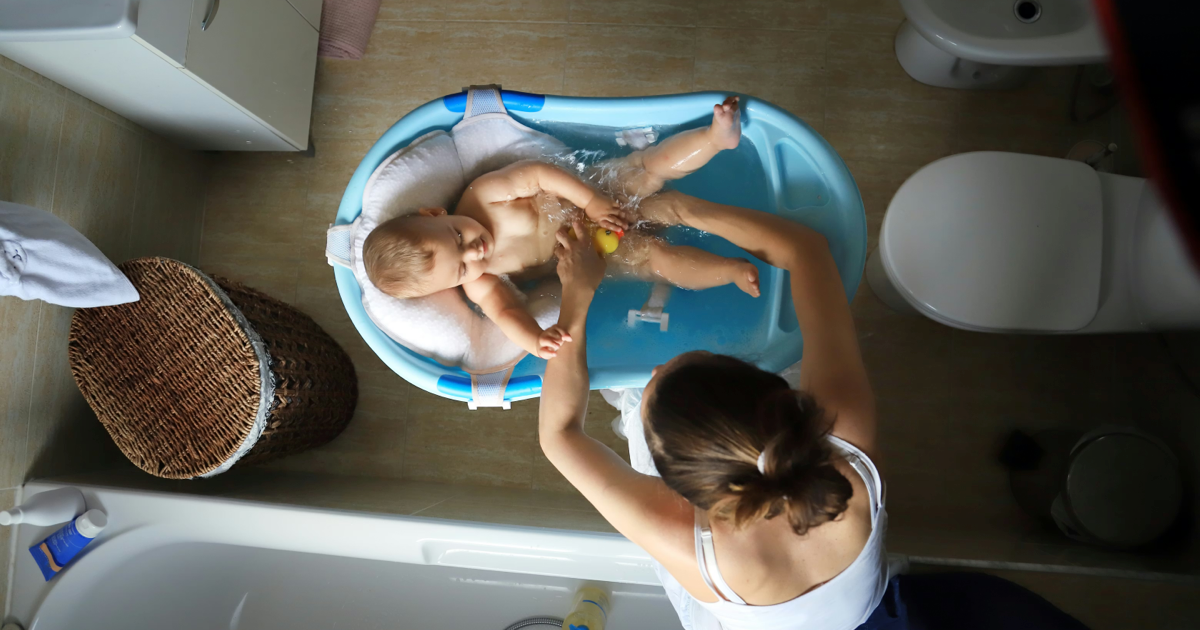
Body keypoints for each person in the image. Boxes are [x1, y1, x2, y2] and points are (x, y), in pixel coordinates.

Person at [539, 198, 1092, 630]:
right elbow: (806, 250)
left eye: (659, 374)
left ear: (680, 492)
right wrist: (682, 208)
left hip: (767, 604)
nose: (657, 367)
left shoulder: (691, 543)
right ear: (773, 391)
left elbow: (560, 434)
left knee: (631, 395)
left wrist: (576, 294)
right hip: (855, 607)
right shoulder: (844, 431)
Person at [362, 96, 759, 361]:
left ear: (435, 213)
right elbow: (505, 311)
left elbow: (538, 174)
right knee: (657, 261)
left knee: (648, 167)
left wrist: (593, 202)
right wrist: (534, 340)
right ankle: (730, 271)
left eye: (457, 237)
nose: (474, 251)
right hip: (597, 251)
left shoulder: (481, 195)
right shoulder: (479, 283)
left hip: (600, 192)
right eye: (462, 267)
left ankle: (715, 138)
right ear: (453, 284)